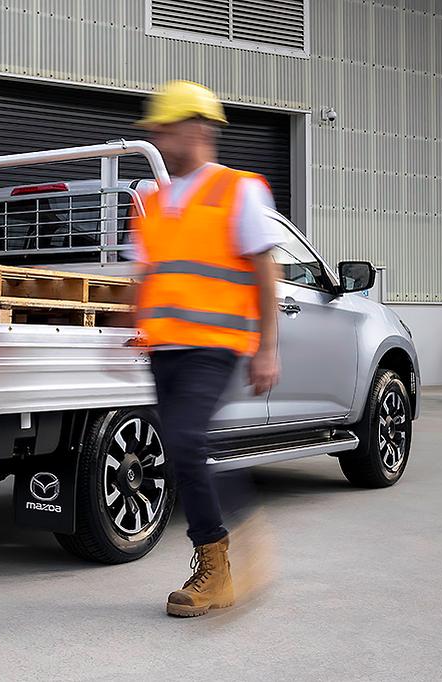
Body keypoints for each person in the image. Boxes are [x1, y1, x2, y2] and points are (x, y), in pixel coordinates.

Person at [132, 81, 283, 617]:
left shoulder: (239, 190)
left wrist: (268, 346)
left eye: (164, 127)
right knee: (179, 451)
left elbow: (266, 269)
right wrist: (134, 323)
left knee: (187, 439)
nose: (157, 137)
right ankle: (229, 549)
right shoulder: (151, 198)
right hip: (164, 348)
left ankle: (218, 565)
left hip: (214, 346)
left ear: (196, 127)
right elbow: (148, 271)